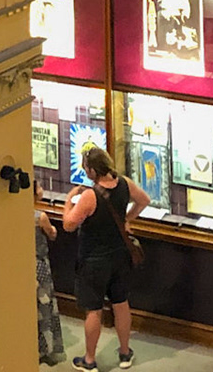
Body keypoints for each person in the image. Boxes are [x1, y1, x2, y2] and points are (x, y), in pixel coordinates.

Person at [62, 144, 148, 369]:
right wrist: (127, 218)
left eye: (86, 168)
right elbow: (144, 200)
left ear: (92, 170)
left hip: (94, 260)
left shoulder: (90, 196)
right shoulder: (124, 184)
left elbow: (69, 225)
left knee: (94, 310)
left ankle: (89, 360)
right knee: (121, 303)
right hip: (120, 256)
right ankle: (125, 352)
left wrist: (68, 200)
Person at [36, 208, 65, 365]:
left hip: (22, 264)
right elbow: (52, 234)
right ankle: (44, 348)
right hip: (39, 267)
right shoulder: (40, 216)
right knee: (44, 308)